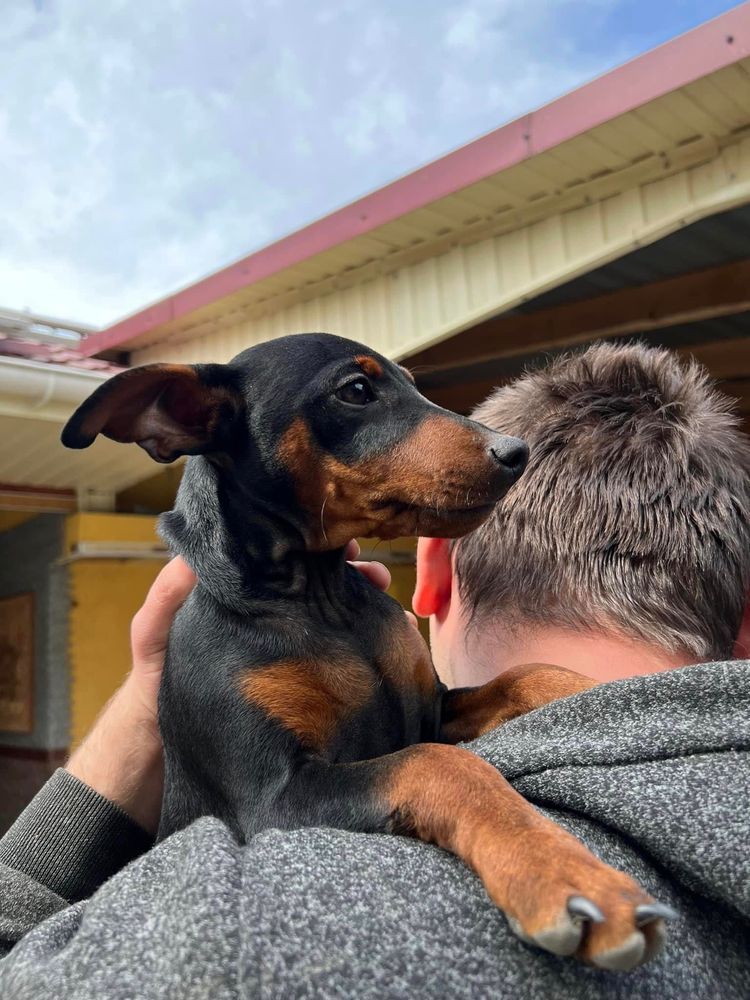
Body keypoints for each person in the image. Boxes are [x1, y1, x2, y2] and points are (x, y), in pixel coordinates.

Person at [1, 341, 749, 999]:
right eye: (357, 394)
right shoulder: (220, 648)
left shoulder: (375, 615)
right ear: (190, 417)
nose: (484, 441)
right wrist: (437, 780)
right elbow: (278, 808)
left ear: (435, 574)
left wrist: (524, 698)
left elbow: (435, 720)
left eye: (408, 391)